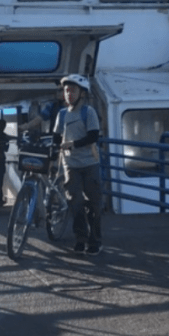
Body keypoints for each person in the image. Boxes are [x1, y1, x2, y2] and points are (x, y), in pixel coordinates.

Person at [53, 74, 102, 255]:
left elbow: (93, 136)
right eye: (66, 90)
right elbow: (56, 136)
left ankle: (95, 241)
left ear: (82, 93)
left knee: (93, 204)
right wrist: (56, 147)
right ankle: (81, 239)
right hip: (70, 164)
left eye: (72, 90)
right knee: (75, 203)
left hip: (89, 163)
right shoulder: (62, 114)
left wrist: (73, 144)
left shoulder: (88, 112)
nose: (69, 94)